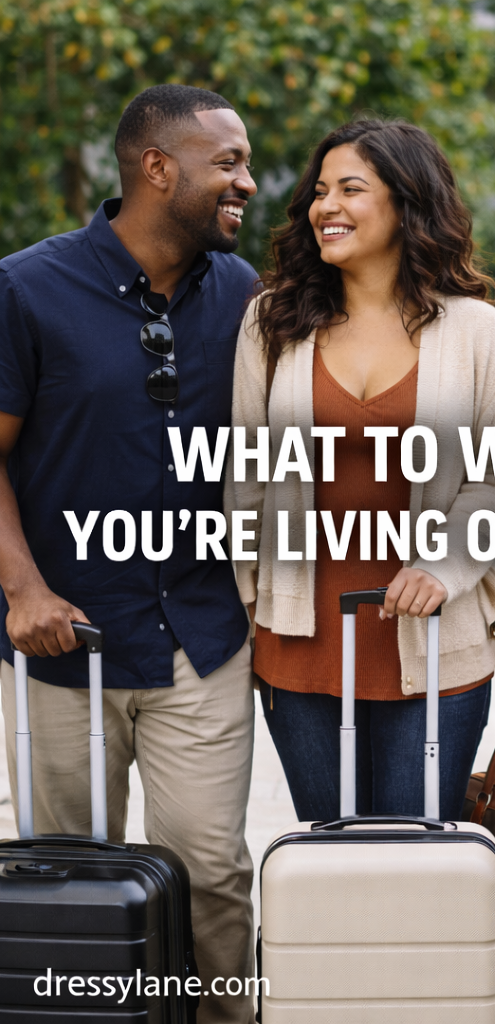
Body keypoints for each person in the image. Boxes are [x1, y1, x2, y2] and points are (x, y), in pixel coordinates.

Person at [0, 86, 259, 1024]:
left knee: (214, 874)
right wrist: (22, 589)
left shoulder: (244, 294)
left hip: (204, 637)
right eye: (228, 162)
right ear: (158, 168)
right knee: (70, 882)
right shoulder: (26, 288)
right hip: (62, 643)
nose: (249, 180)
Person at [225, 120, 495, 823]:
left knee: (418, 861)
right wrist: (250, 608)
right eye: (319, 191)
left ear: (407, 202)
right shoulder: (272, 322)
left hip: (437, 645)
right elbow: (246, 480)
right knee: (328, 858)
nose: (325, 206)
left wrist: (442, 568)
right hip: (300, 641)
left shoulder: (479, 333)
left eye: (350, 189)